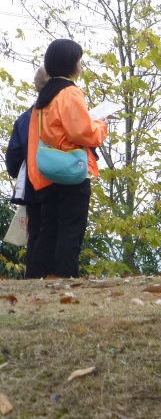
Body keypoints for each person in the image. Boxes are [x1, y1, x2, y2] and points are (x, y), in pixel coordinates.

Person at [26, 39, 109, 278]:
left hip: (48, 169)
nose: (80, 64)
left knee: (49, 227)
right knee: (71, 228)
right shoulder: (70, 93)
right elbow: (81, 133)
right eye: (78, 60)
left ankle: (39, 276)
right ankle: (67, 276)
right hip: (72, 168)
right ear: (70, 63)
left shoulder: (44, 96)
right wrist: (101, 126)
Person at [5, 67, 50, 275]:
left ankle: (33, 277)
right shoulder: (58, 115)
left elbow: (13, 160)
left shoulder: (24, 119)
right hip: (60, 183)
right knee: (59, 233)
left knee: (36, 234)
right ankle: (57, 276)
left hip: (32, 185)